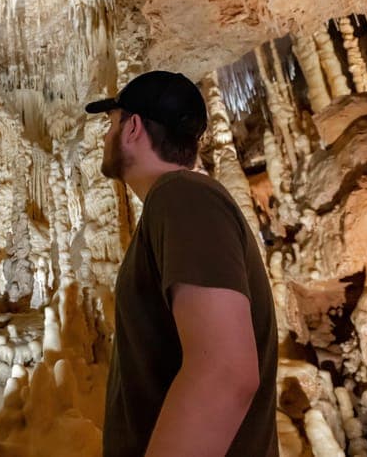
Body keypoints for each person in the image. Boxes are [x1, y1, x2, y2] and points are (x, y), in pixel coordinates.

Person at [86, 71, 278, 457]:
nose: (104, 138)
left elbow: (225, 373)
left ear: (133, 128)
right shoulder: (176, 203)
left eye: (110, 125)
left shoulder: (181, 195)